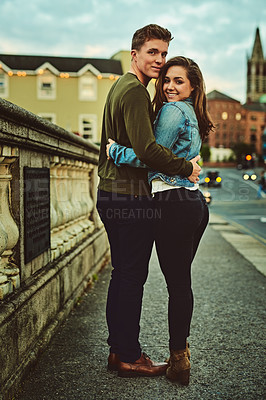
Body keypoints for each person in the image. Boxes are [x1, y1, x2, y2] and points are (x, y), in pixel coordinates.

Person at [96, 25, 202, 379]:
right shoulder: (136, 92)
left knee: (125, 275)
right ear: (135, 54)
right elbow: (148, 151)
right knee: (130, 278)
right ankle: (127, 355)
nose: (158, 60)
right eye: (152, 52)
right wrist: (186, 166)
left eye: (163, 53)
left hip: (117, 193)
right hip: (127, 196)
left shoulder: (122, 87)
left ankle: (121, 350)